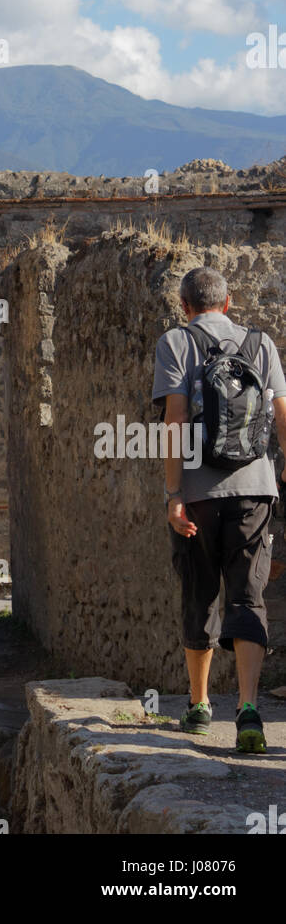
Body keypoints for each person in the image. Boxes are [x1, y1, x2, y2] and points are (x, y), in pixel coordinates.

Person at [153, 265, 286, 753]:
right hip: (255, 491)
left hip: (198, 495)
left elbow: (175, 419)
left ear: (184, 307)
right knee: (248, 597)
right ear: (228, 304)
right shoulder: (260, 343)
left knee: (199, 592)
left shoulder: (175, 343)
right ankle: (248, 708)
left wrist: (173, 494)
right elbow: (280, 411)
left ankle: (200, 704)